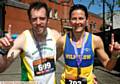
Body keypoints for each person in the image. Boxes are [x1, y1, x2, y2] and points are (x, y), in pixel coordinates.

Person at [56, 4, 120, 84]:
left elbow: (108, 66)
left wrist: (114, 56)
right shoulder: (62, 41)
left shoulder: (95, 40)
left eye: (81, 18)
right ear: (70, 21)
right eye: (74, 19)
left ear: (86, 21)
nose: (77, 22)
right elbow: (51, 61)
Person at [0, 1, 60, 84]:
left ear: (47, 19)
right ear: (30, 20)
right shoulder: (23, 39)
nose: (38, 22)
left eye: (42, 18)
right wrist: (3, 51)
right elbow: (1, 68)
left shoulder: (55, 36)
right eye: (34, 19)